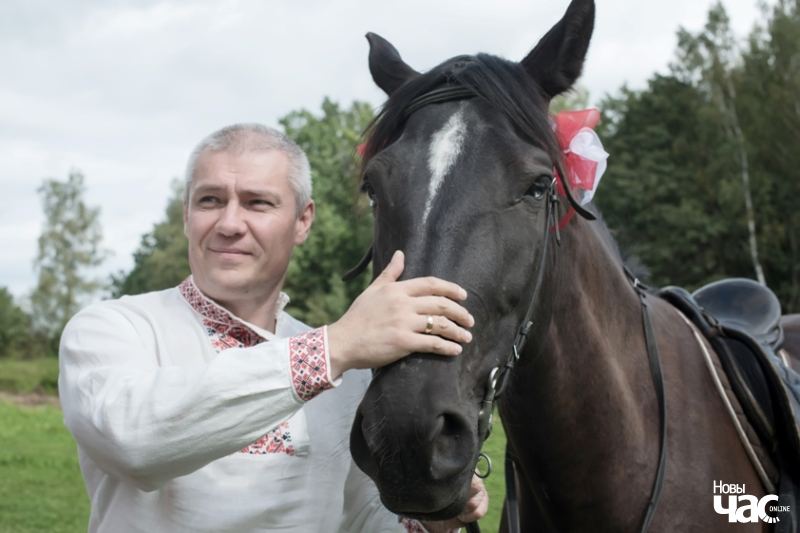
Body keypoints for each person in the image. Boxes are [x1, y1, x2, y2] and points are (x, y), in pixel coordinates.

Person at [59, 123, 488, 533]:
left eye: (257, 203)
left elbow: (359, 519)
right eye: (209, 200)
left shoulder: (349, 375)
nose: (229, 224)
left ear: (303, 221)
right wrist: (333, 348)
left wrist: (429, 521)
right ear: (186, 214)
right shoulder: (112, 329)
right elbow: (133, 441)